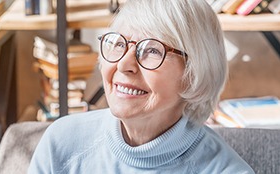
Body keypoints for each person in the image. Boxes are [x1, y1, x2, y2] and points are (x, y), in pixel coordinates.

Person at [28, 0, 255, 173]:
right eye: (118, 43)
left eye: (152, 50)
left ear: (194, 72)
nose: (124, 64)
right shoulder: (62, 142)